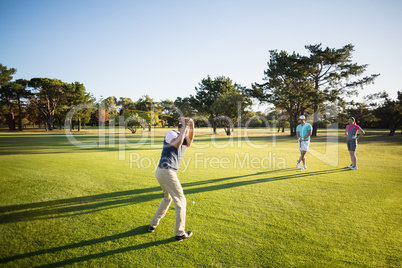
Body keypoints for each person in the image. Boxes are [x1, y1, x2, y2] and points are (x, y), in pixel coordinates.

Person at [148, 117, 195, 241]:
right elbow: (177, 144)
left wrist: (192, 125)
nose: (187, 130)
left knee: (167, 198)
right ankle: (180, 233)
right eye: (186, 127)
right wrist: (185, 126)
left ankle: (152, 224)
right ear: (181, 126)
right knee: (180, 200)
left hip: (164, 172)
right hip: (166, 171)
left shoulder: (183, 136)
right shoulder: (172, 133)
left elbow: (190, 141)